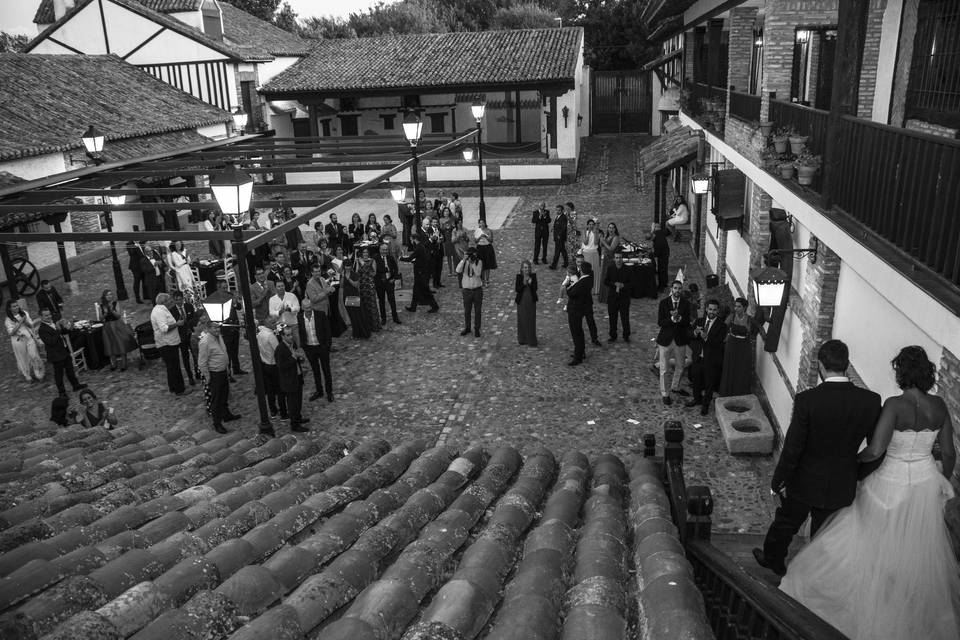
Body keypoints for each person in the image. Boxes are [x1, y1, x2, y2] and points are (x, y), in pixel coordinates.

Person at [777, 346, 959, 640]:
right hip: (926, 482)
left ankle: (873, 601)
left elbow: (876, 449)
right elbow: (948, 453)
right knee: (913, 548)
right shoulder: (938, 406)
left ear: (902, 372)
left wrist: (851, 462)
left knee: (868, 542)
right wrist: (941, 481)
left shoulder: (894, 405)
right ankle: (904, 602)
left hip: (891, 483)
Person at [753, 340, 883, 576]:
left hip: (804, 480)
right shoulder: (871, 401)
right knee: (826, 536)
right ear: (847, 364)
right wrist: (855, 472)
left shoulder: (808, 400)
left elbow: (793, 447)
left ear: (821, 365)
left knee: (786, 524)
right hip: (841, 483)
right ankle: (817, 577)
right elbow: (877, 449)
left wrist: (778, 480)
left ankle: (773, 560)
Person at [197, 319, 241, 434]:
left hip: (223, 371)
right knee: (216, 399)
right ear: (208, 329)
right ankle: (217, 423)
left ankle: (226, 415)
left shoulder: (219, 336)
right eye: (214, 328)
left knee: (225, 394)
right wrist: (208, 377)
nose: (217, 329)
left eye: (218, 327)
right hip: (214, 374)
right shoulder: (205, 342)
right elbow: (202, 363)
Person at [686, 299, 727, 415]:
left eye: (714, 310)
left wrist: (706, 337)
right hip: (698, 358)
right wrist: (694, 332)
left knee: (709, 383)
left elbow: (719, 342)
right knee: (696, 380)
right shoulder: (699, 321)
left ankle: (705, 405)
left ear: (718, 311)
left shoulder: (722, 326)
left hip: (711, 360)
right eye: (710, 309)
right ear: (706, 309)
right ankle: (696, 399)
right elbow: (689, 334)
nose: (712, 312)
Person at [718, 297, 764, 397]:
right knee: (729, 367)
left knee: (741, 368)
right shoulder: (732, 316)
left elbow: (757, 330)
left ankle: (739, 392)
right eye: (735, 306)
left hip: (743, 346)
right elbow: (722, 328)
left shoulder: (749, 320)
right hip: (732, 344)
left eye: (739, 306)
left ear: (745, 308)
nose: (736, 308)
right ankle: (727, 391)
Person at [656, 280, 692, 405]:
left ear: (681, 290)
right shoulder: (664, 303)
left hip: (680, 340)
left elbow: (688, 322)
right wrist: (671, 319)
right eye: (675, 288)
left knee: (680, 366)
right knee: (664, 368)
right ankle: (665, 393)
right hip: (665, 340)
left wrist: (681, 319)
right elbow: (660, 322)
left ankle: (675, 387)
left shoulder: (686, 304)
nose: (677, 291)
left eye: (679, 288)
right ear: (671, 289)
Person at [38, 308, 86, 397]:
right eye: (46, 315)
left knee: (70, 370)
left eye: (49, 314)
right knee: (59, 375)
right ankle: (62, 392)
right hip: (55, 354)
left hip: (64, 350)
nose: (49, 316)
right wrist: (57, 329)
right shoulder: (42, 329)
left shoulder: (53, 323)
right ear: (41, 317)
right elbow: (51, 342)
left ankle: (76, 385)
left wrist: (70, 324)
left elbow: (64, 332)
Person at [150, 293, 190, 396]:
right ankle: (180, 389)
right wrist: (177, 324)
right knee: (174, 366)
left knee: (170, 366)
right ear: (164, 302)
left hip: (168, 342)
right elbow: (164, 328)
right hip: (167, 344)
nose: (171, 303)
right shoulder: (159, 312)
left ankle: (172, 386)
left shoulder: (160, 309)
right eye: (170, 301)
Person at [297, 298, 334, 403]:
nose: (308, 309)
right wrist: (305, 347)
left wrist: (327, 346)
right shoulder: (299, 318)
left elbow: (327, 331)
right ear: (302, 308)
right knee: (316, 371)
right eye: (306, 308)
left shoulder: (320, 315)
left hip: (322, 347)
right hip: (310, 348)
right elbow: (301, 332)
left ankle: (329, 392)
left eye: (310, 307)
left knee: (326, 371)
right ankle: (319, 391)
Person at [275, 323, 309, 432]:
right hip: (289, 381)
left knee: (298, 401)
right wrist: (294, 358)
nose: (291, 337)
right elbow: (281, 367)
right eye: (288, 335)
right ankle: (295, 425)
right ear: (282, 336)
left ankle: (298, 418)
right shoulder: (280, 349)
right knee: (293, 403)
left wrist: (300, 359)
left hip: (297, 377)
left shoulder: (291, 344)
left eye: (291, 334)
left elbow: (295, 359)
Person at [565, 261, 596, 366]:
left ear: (582, 270)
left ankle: (578, 356)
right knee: (579, 332)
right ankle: (580, 352)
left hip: (575, 310)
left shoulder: (583, 282)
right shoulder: (588, 279)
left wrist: (568, 284)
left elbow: (571, 293)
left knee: (576, 333)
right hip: (579, 309)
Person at [98, 289, 137, 372]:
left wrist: (112, 310)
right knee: (110, 344)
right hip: (107, 326)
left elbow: (119, 316)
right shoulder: (101, 306)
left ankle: (124, 364)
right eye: (108, 295)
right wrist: (105, 313)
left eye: (111, 294)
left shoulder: (116, 303)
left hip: (117, 325)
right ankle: (114, 364)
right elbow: (100, 319)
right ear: (104, 296)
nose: (110, 296)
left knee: (120, 343)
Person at [5, 299, 44, 382]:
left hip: (29, 337)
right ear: (10, 308)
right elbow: (11, 333)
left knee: (34, 355)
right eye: (14, 306)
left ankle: (39, 373)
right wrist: (20, 322)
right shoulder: (8, 320)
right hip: (18, 340)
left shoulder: (24, 313)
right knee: (23, 358)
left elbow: (31, 325)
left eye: (17, 305)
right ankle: (27, 375)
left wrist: (26, 321)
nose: (16, 307)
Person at [400, 235, 439, 314]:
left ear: (414, 239)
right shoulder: (421, 246)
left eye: (411, 240)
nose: (411, 241)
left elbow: (410, 258)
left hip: (421, 273)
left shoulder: (418, 248)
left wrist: (401, 258)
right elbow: (422, 258)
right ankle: (413, 307)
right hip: (421, 272)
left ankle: (435, 306)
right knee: (415, 291)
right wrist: (416, 261)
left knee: (425, 291)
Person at [257, 316, 287, 418]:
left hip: (265, 364)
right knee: (280, 390)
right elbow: (278, 350)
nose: (275, 325)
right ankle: (283, 413)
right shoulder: (270, 336)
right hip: (274, 366)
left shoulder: (260, 334)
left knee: (270, 390)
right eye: (273, 323)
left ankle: (273, 410)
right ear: (267, 324)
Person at [603, 251, 631, 343]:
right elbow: (606, 281)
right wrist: (614, 284)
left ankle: (626, 335)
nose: (618, 260)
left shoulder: (627, 269)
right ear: (614, 259)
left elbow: (632, 283)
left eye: (620, 257)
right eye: (617, 257)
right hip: (613, 298)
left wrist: (623, 285)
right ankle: (613, 336)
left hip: (624, 298)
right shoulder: (610, 269)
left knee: (625, 318)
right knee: (612, 318)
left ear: (622, 258)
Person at [456, 248, 484, 337]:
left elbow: (478, 273)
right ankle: (467, 327)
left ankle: (477, 328)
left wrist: (473, 264)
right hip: (467, 290)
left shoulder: (478, 262)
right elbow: (458, 270)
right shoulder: (464, 262)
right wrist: (464, 259)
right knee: (467, 311)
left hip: (477, 290)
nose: (472, 257)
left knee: (477, 310)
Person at [374, 243, 402, 325]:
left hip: (389, 282)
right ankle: (383, 319)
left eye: (386, 250)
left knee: (392, 300)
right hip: (380, 283)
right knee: (381, 301)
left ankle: (395, 317)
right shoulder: (375, 258)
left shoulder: (390, 257)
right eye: (383, 250)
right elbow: (375, 270)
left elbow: (396, 268)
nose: (385, 251)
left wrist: (394, 278)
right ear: (380, 250)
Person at [356, 247, 381, 333]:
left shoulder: (372, 260)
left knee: (372, 304)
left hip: (370, 285)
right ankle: (367, 326)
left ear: (368, 253)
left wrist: (364, 266)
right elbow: (357, 272)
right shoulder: (358, 261)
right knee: (364, 305)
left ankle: (375, 326)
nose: (365, 254)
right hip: (362, 285)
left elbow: (374, 273)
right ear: (361, 253)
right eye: (363, 252)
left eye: (366, 252)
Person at [515, 260, 538, 347]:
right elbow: (517, 289)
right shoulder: (519, 277)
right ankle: (522, 339)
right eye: (525, 267)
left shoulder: (533, 276)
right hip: (521, 301)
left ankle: (531, 340)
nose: (526, 269)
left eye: (528, 267)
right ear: (521, 269)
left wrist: (531, 284)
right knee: (522, 319)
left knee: (531, 319)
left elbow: (535, 288)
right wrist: (524, 284)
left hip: (531, 301)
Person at [598, 223, 622, 303]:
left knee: (611, 277)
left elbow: (611, 248)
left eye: (612, 228)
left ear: (615, 229)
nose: (611, 229)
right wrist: (601, 239)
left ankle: (611, 297)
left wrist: (603, 242)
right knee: (604, 276)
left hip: (611, 260)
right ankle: (604, 296)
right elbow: (602, 245)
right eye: (609, 227)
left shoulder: (616, 238)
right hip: (605, 258)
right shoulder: (607, 236)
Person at [580, 219, 602, 296]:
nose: (591, 226)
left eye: (593, 224)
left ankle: (595, 289)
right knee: (586, 271)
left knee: (595, 270)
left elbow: (596, 243)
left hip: (594, 253)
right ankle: (586, 289)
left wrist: (595, 233)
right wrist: (588, 234)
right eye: (589, 224)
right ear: (587, 225)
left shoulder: (596, 232)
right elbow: (585, 242)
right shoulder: (585, 233)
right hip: (586, 254)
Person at [474, 218, 496, 285]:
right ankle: (482, 279)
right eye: (480, 223)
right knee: (481, 264)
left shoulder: (488, 231)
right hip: (480, 248)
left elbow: (491, 240)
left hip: (487, 248)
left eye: (483, 222)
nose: (482, 224)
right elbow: (475, 241)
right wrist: (480, 237)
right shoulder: (477, 231)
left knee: (487, 264)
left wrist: (485, 236)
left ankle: (487, 279)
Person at [650, 222, 670, 292]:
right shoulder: (660, 232)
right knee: (664, 269)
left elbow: (656, 253)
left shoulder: (657, 238)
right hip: (665, 253)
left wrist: (651, 253)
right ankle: (664, 283)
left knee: (661, 270)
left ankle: (661, 286)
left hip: (663, 255)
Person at [549, 204, 569, 270]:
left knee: (557, 251)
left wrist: (559, 235)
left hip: (560, 237)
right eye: (557, 210)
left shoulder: (563, 217)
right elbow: (557, 224)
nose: (558, 211)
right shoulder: (558, 216)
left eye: (559, 210)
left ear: (562, 210)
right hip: (557, 236)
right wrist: (553, 228)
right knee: (563, 250)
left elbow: (564, 227)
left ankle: (554, 265)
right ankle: (566, 263)